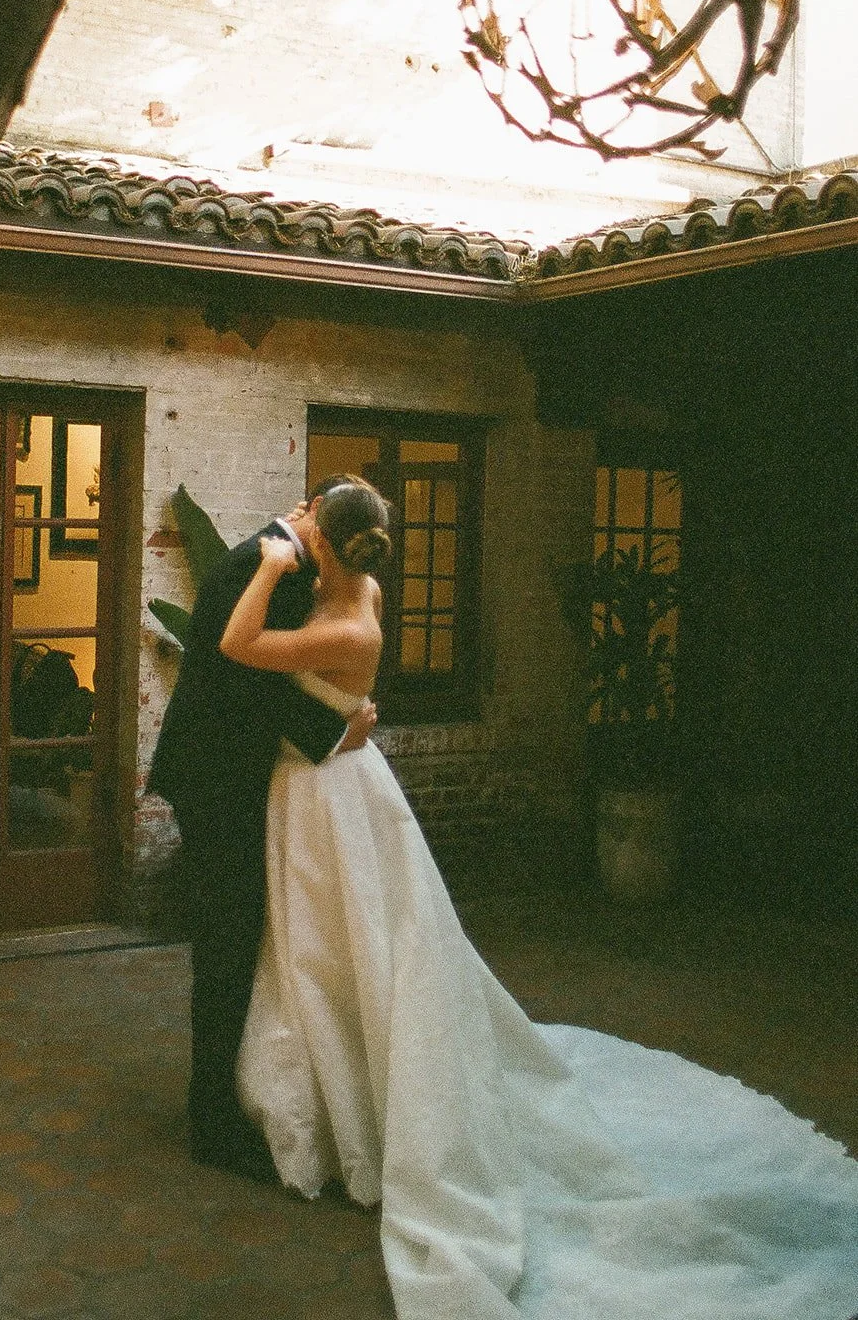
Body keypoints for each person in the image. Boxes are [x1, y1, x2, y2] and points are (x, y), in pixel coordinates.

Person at [220, 479, 858, 1320]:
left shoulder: (342, 618)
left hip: (328, 795)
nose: (297, 526)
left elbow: (235, 644)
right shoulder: (362, 590)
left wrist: (268, 566)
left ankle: (367, 1110)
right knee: (343, 943)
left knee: (345, 947)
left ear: (327, 549)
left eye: (311, 523)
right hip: (339, 777)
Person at [151, 476, 377, 1180]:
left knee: (239, 938)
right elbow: (242, 677)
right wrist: (332, 735)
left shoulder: (282, 555)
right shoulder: (271, 571)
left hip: (221, 771)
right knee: (226, 943)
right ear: (314, 521)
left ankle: (224, 1096)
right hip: (218, 780)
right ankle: (212, 1123)